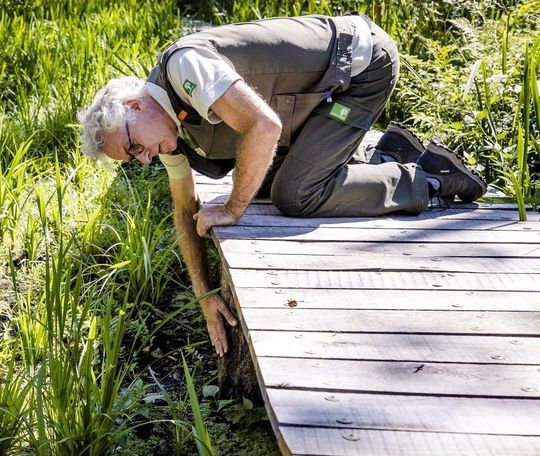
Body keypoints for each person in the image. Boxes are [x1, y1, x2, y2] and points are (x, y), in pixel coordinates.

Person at [78, 13, 486, 357]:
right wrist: (205, 296)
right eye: (134, 159)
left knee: (295, 194)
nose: (145, 157)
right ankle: (387, 151)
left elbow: (264, 125)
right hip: (316, 98)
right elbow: (185, 209)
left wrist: (234, 208)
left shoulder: (183, 70)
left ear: (134, 105)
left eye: (134, 147)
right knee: (255, 175)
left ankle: (429, 178)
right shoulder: (165, 127)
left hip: (358, 71)